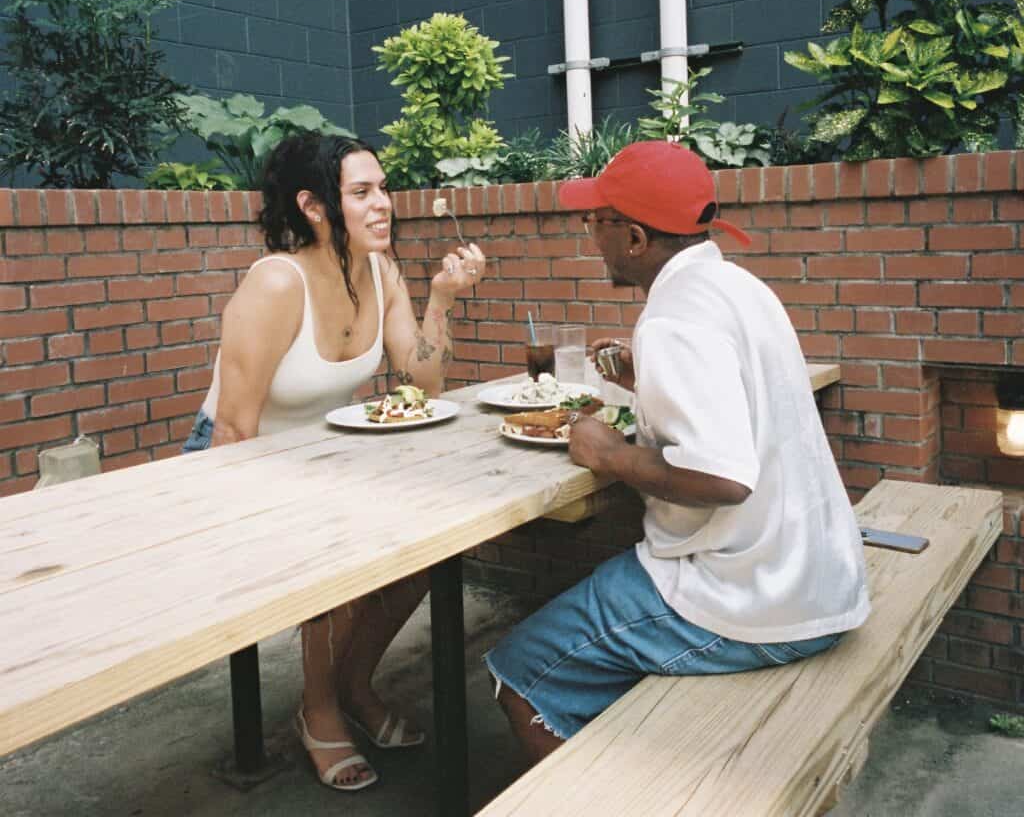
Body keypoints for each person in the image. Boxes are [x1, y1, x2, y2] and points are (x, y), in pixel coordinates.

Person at [486, 140, 869, 765]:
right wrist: (653, 386)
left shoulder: (675, 318)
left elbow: (721, 478)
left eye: (597, 221)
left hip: (755, 597)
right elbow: (743, 403)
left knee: (522, 672)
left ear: (634, 239)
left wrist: (605, 452)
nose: (591, 236)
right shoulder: (739, 287)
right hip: (818, 573)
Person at [182, 131, 486, 791]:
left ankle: (351, 683)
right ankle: (318, 710)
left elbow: (422, 380)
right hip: (238, 456)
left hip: (321, 456)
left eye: (382, 189)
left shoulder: (380, 270)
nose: (384, 204)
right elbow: (233, 427)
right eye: (361, 193)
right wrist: (272, 512)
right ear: (314, 207)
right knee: (335, 556)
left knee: (427, 550)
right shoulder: (275, 283)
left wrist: (442, 299)